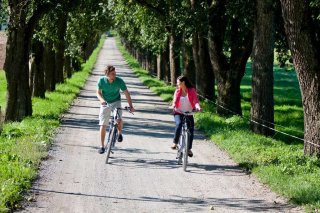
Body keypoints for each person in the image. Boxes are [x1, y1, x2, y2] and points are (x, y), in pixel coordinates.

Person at [96, 65, 135, 154]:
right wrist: (102, 100)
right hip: (105, 102)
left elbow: (127, 93)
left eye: (115, 73)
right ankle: (102, 146)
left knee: (118, 119)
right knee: (103, 124)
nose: (115, 75)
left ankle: (119, 133)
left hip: (116, 101)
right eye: (113, 73)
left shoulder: (119, 81)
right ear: (107, 74)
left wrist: (131, 106)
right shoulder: (101, 81)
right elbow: (98, 92)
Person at [171, 76, 201, 157]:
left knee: (190, 131)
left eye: (178, 82)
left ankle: (189, 149)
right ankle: (175, 142)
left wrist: (198, 107)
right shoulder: (177, 91)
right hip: (178, 112)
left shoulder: (192, 91)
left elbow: (195, 101)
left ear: (183, 82)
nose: (177, 84)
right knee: (179, 124)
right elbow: (174, 102)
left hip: (189, 113)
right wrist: (173, 106)